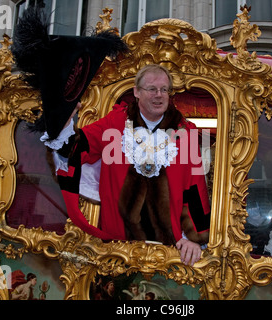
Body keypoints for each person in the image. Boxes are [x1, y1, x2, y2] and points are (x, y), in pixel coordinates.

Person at [46, 65, 211, 266]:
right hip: (117, 247)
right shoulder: (114, 123)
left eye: (164, 89)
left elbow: (195, 189)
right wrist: (63, 124)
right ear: (136, 92)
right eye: (152, 89)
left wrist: (195, 239)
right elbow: (78, 148)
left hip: (168, 251)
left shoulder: (186, 132)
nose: (159, 95)